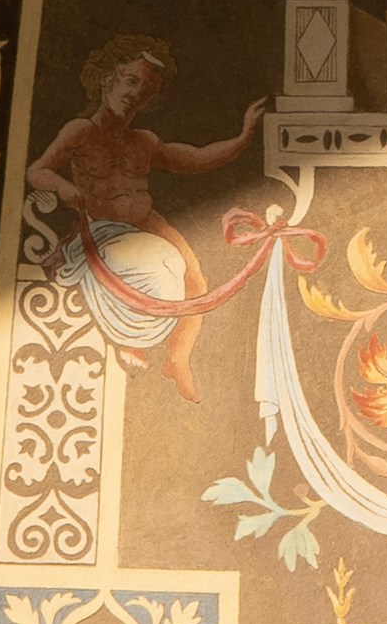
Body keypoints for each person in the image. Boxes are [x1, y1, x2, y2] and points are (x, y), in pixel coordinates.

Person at [30, 35, 277, 398]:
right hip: (104, 228)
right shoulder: (80, 132)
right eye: (131, 81)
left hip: (147, 222)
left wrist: (242, 137)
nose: (135, 94)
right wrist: (62, 187)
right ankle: (131, 340)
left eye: (145, 90)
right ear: (106, 78)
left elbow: (195, 158)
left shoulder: (143, 140)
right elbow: (37, 170)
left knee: (195, 278)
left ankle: (177, 359)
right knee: (155, 273)